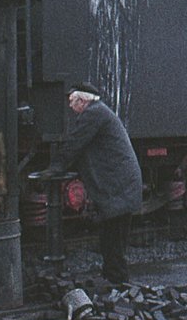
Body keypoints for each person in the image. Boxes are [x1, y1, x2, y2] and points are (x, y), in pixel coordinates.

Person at [50, 83, 143, 285]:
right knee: (110, 238)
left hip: (119, 187)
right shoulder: (99, 112)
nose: (70, 107)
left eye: (72, 102)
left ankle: (119, 284)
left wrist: (55, 167)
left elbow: (75, 143)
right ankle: (113, 280)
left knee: (114, 240)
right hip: (118, 186)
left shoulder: (94, 114)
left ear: (82, 100)